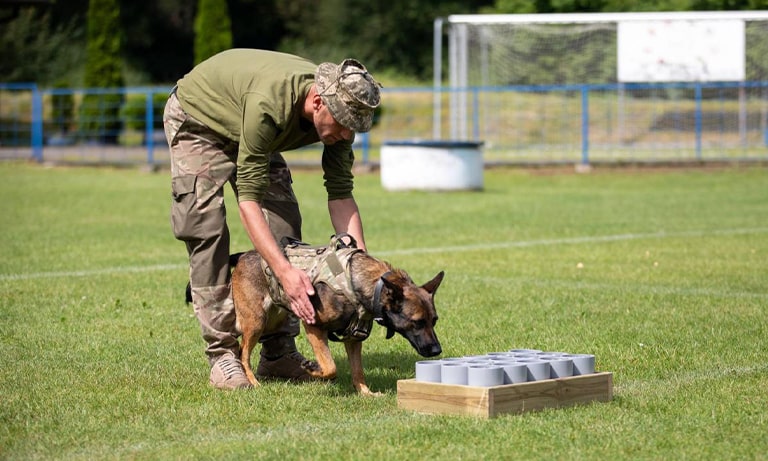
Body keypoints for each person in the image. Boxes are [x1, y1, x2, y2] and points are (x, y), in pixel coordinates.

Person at [162, 49, 382, 390]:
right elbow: (248, 202)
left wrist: (356, 269)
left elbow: (340, 192)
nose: (345, 136)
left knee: (284, 227)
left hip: (248, 126)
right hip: (199, 119)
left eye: (353, 130)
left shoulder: (341, 121)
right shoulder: (270, 104)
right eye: (341, 126)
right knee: (206, 228)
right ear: (318, 102)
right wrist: (284, 274)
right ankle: (222, 355)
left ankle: (278, 352)